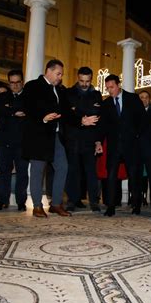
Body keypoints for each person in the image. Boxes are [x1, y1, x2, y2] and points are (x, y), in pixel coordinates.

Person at [22, 59, 70, 218]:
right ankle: (37, 206)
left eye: (61, 74)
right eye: (58, 73)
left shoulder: (60, 90)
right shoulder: (32, 86)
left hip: (56, 136)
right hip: (39, 136)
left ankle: (56, 204)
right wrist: (43, 117)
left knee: (62, 167)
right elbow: (27, 108)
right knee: (37, 171)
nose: (60, 77)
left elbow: (67, 111)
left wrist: (82, 120)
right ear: (48, 71)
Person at [99, 74, 145, 216]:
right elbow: (102, 126)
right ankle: (111, 206)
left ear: (119, 85)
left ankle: (136, 205)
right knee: (111, 177)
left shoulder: (133, 99)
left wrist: (137, 135)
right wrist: (98, 142)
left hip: (131, 146)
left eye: (112, 87)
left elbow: (142, 119)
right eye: (107, 88)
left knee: (134, 176)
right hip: (114, 147)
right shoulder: (106, 104)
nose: (109, 90)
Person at [63, 66, 102, 212]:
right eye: (81, 81)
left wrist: (98, 141)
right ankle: (72, 200)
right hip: (72, 139)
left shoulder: (97, 94)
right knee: (73, 171)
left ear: (91, 79)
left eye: (87, 81)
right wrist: (82, 117)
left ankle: (94, 201)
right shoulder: (68, 93)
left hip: (90, 139)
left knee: (91, 171)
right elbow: (67, 115)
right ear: (77, 78)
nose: (84, 84)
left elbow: (98, 115)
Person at [0, 69, 29, 211]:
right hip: (4, 140)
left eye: (18, 82)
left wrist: (9, 109)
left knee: (22, 173)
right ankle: (2, 200)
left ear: (22, 82)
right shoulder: (3, 96)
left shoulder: (28, 97)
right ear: (8, 83)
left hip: (22, 142)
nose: (15, 86)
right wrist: (14, 111)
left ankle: (21, 201)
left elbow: (29, 111)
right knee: (3, 172)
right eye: (12, 83)